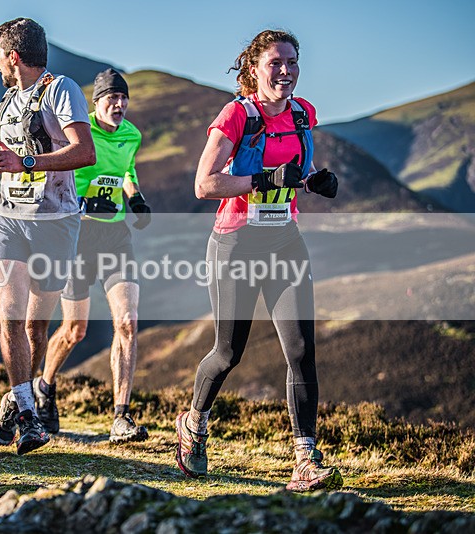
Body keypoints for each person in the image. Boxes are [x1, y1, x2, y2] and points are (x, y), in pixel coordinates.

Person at [174, 30, 342, 491]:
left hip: (285, 241)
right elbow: (204, 185)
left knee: (301, 350)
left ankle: (305, 459)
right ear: (254, 69)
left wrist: (314, 181)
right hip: (236, 245)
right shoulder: (236, 116)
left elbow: (297, 170)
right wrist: (265, 180)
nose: (285, 71)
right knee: (228, 353)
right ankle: (194, 425)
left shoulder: (303, 114)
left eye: (292, 62)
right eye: (275, 63)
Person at [0, 17, 95, 455]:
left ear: (14, 56)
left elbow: (84, 151)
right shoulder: (8, 100)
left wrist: (28, 163)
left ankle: (14, 402)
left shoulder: (61, 90)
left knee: (37, 326)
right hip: (9, 219)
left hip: (55, 221)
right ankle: (28, 416)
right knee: (11, 316)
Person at [34, 68, 152, 443]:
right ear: (96, 102)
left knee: (128, 322)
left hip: (115, 236)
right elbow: (54, 177)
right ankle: (44, 386)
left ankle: (121, 417)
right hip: (78, 235)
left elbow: (127, 170)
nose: (119, 104)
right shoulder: (78, 132)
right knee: (75, 330)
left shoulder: (132, 135)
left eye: (123, 98)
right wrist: (84, 202)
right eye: (111, 98)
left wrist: (136, 198)